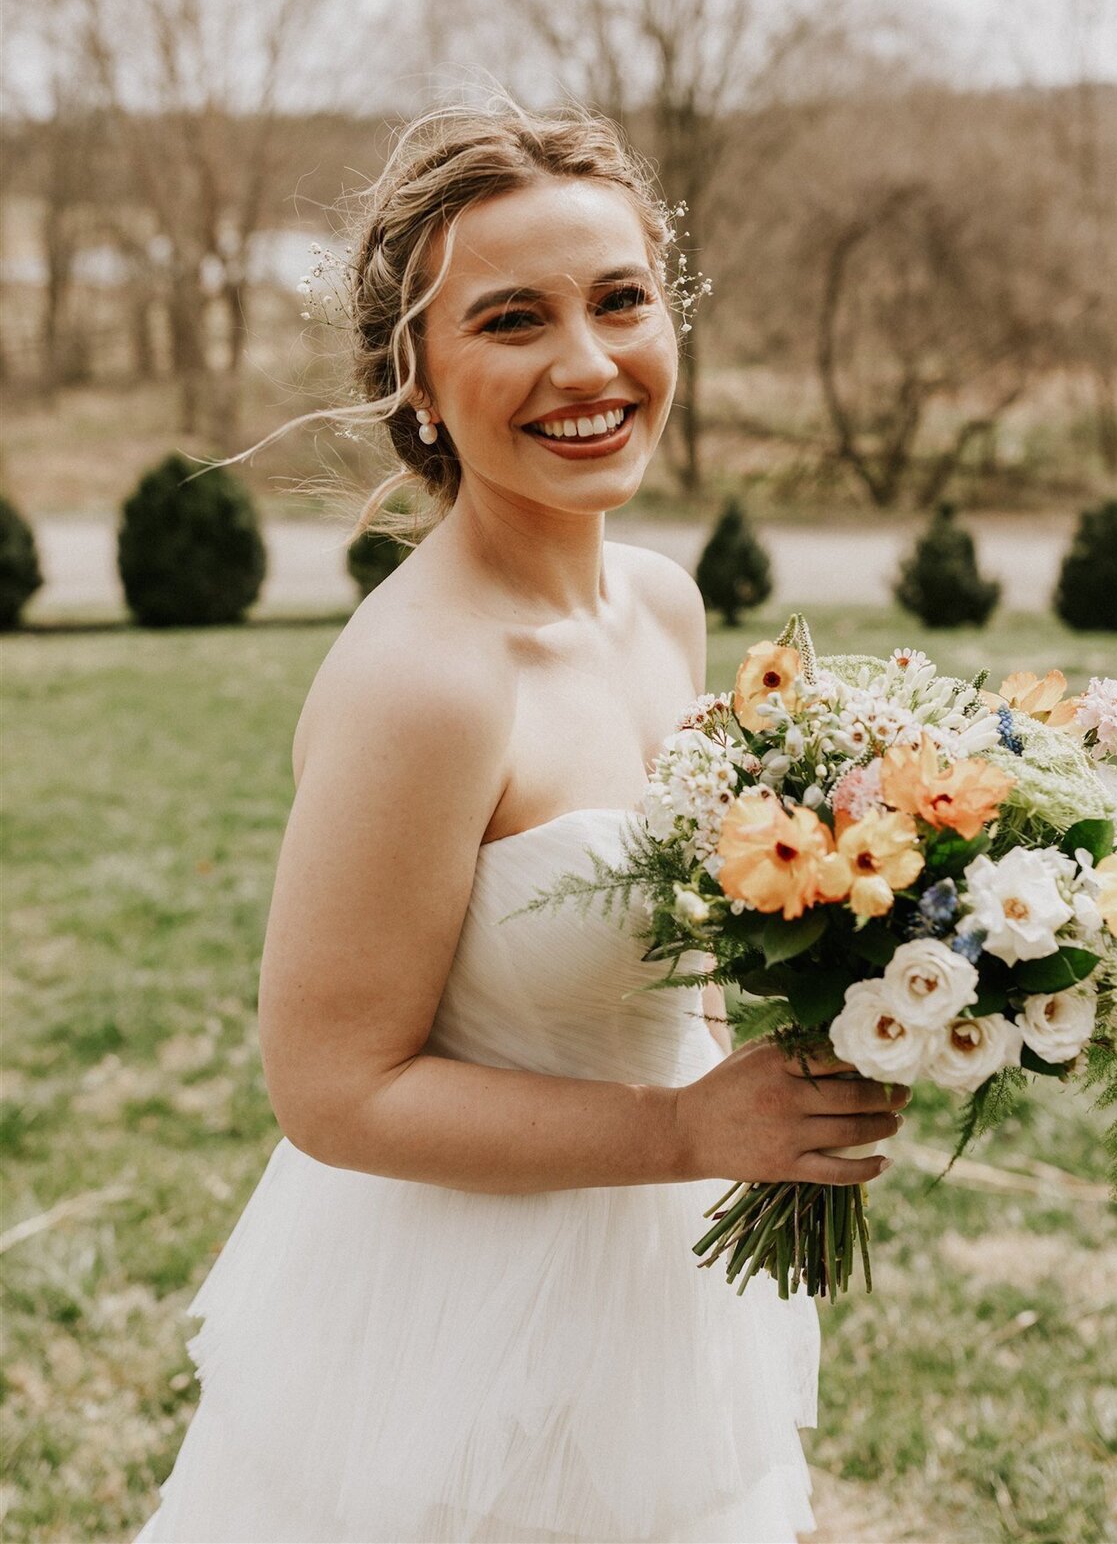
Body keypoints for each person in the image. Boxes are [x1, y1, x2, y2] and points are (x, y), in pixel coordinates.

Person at [134, 95, 904, 1543]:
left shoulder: (665, 605)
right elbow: (333, 1087)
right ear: (415, 378)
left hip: (658, 1281)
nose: (588, 363)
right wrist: (686, 1128)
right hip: (451, 1329)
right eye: (511, 321)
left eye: (621, 300)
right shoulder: (422, 683)